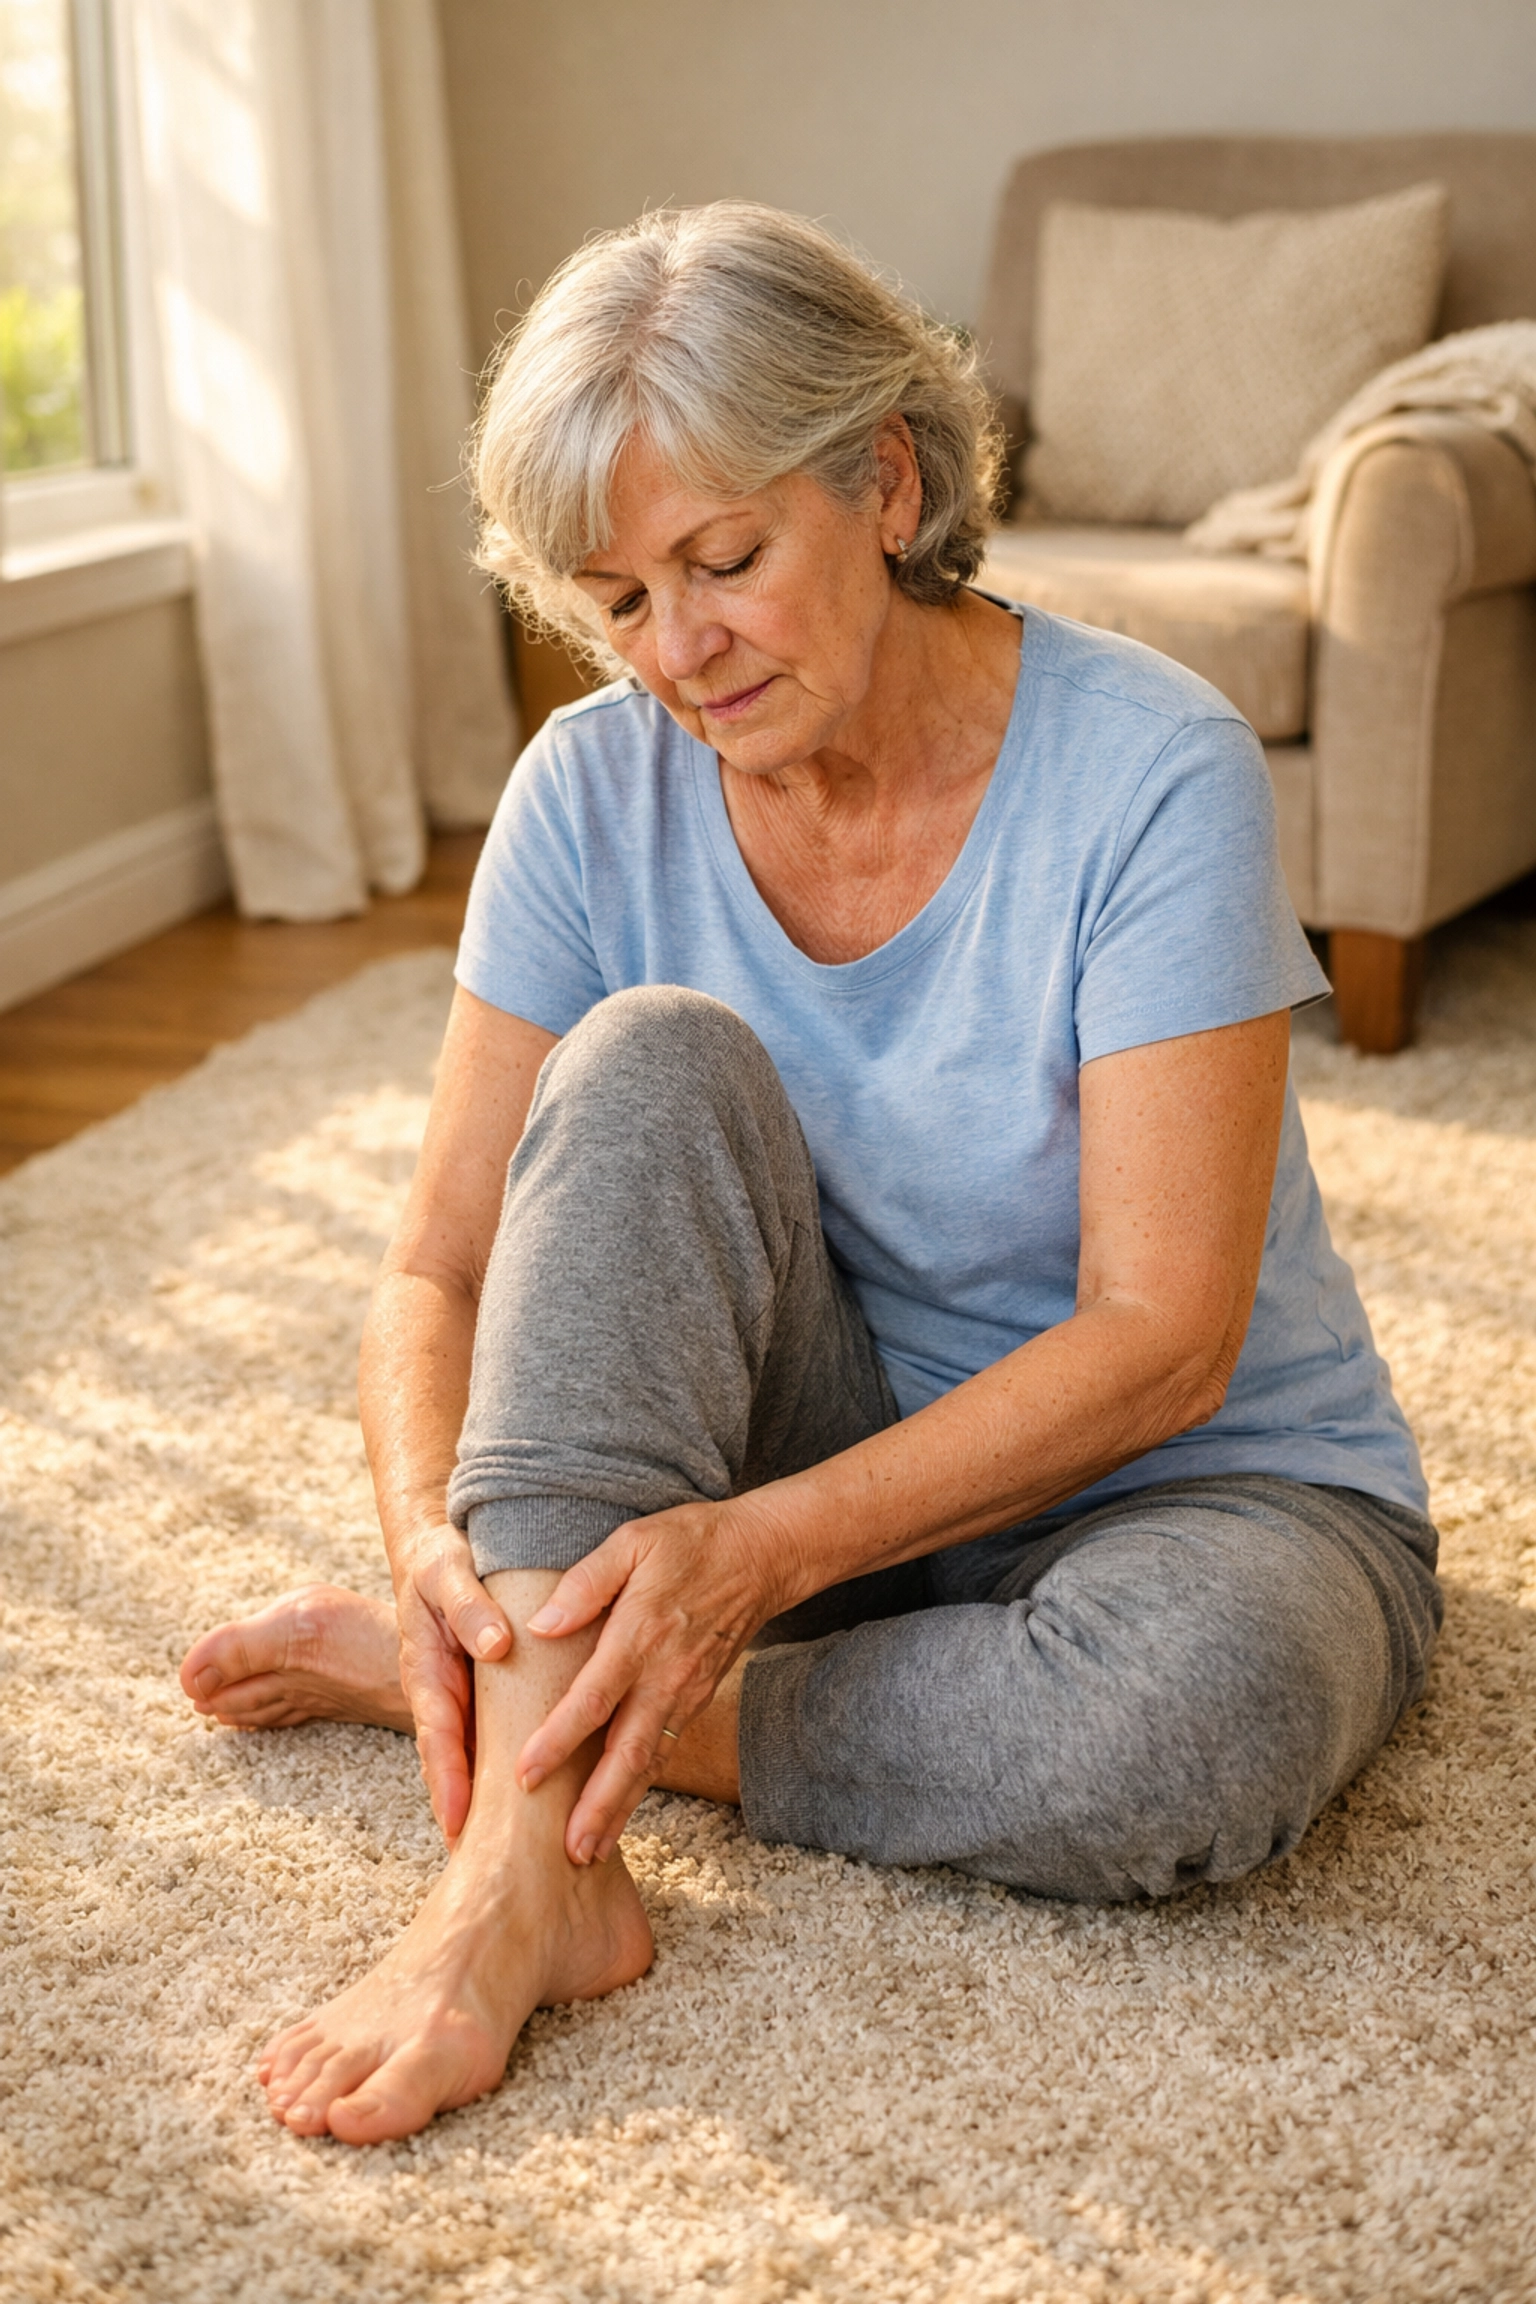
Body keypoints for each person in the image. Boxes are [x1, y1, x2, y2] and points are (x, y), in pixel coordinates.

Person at [180, 203, 1441, 2147]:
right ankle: (526, 1872)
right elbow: (436, 1267)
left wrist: (752, 1563)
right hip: (817, 1438)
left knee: (1198, 1722)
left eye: (726, 561)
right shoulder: (588, 790)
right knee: (645, 1058)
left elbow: (1167, 1339)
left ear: (888, 481)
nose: (679, 652)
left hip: (1199, 1490)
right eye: (619, 598)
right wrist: (433, 1539)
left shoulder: (1154, 771)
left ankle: (572, 1707)